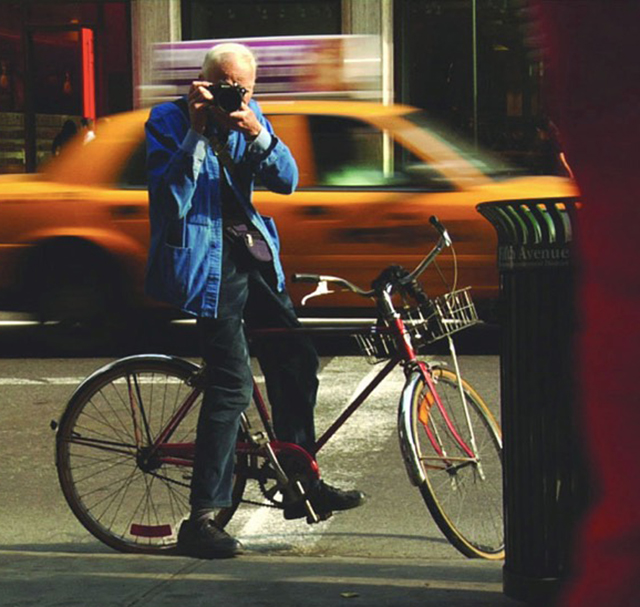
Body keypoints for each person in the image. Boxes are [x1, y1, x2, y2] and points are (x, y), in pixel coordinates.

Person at [144, 42, 365, 559]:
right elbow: (170, 198)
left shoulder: (251, 115)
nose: (230, 95)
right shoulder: (169, 121)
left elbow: (287, 181)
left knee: (297, 358)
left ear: (250, 88)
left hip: (252, 261)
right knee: (231, 385)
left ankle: (299, 481)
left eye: (239, 88)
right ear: (201, 81)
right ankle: (200, 520)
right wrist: (198, 134)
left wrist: (257, 132)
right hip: (206, 268)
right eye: (221, 84)